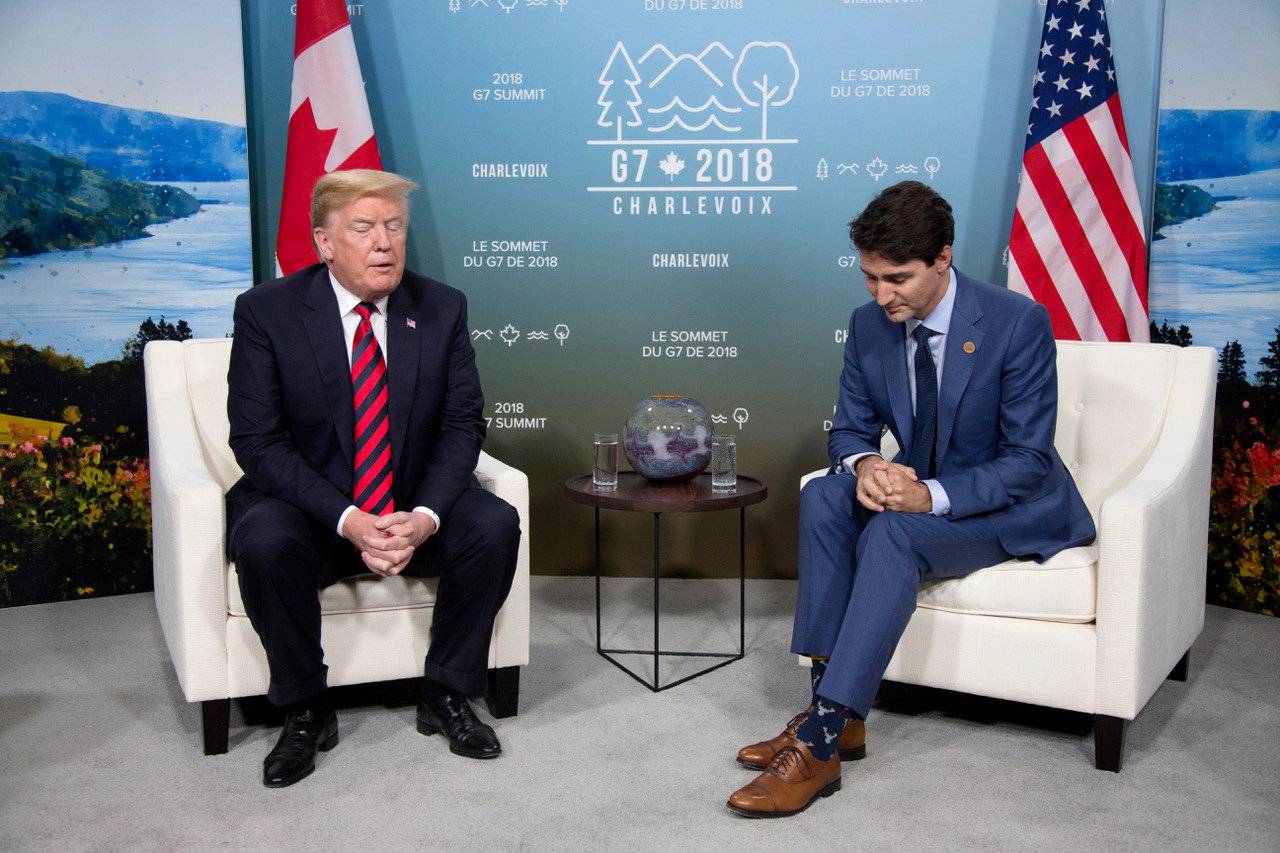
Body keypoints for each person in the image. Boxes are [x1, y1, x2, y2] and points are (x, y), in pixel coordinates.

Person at [726, 181, 1095, 817]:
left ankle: (818, 742)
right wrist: (866, 463)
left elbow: (1029, 462)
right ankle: (836, 718)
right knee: (823, 498)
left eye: (896, 279)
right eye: (869, 277)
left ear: (942, 259)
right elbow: (848, 429)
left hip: (1007, 505)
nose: (881, 295)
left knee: (891, 534)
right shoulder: (868, 326)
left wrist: (933, 496)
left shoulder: (1017, 323)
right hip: (915, 485)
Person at [225, 169, 520, 788]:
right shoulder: (266, 312)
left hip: (408, 501)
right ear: (324, 243)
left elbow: (462, 425)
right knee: (263, 539)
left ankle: (445, 693)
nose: (384, 243)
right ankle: (306, 708)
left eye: (394, 228)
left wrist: (425, 517)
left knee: (493, 524)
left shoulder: (441, 307)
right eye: (364, 228)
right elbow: (258, 442)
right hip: (313, 509)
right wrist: (349, 519)